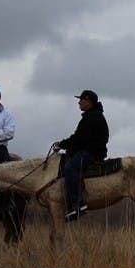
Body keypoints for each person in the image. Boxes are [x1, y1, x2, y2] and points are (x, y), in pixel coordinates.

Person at [53, 89, 109, 221]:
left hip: (91, 152)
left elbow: (79, 138)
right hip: (91, 150)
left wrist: (62, 144)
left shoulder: (92, 116)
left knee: (70, 168)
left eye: (81, 100)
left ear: (88, 101)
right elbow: (80, 138)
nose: (79, 102)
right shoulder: (92, 115)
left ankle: (78, 205)